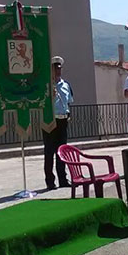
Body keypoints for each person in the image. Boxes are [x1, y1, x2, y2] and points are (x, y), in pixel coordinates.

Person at [43, 56, 73, 191]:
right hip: (50, 120)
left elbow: (69, 102)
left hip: (62, 120)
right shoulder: (46, 85)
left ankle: (63, 179)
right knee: (49, 152)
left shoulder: (66, 85)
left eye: (59, 68)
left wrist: (68, 115)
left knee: (62, 152)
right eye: (55, 68)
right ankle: (50, 181)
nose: (58, 71)